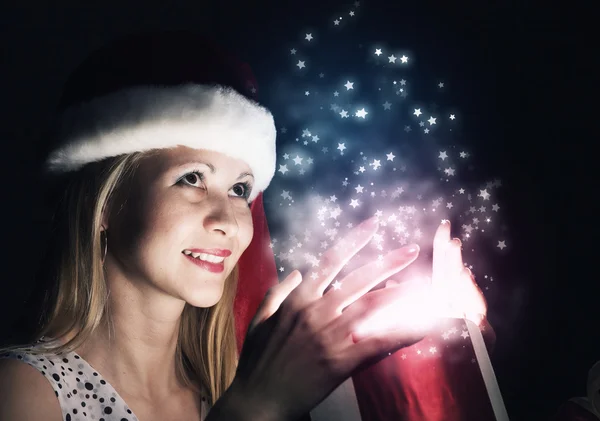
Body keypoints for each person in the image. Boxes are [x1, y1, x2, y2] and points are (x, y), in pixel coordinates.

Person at [0, 30, 491, 421]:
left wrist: (460, 338)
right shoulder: (26, 391)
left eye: (240, 190)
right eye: (192, 178)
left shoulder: (222, 388)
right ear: (105, 204)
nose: (229, 222)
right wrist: (256, 410)